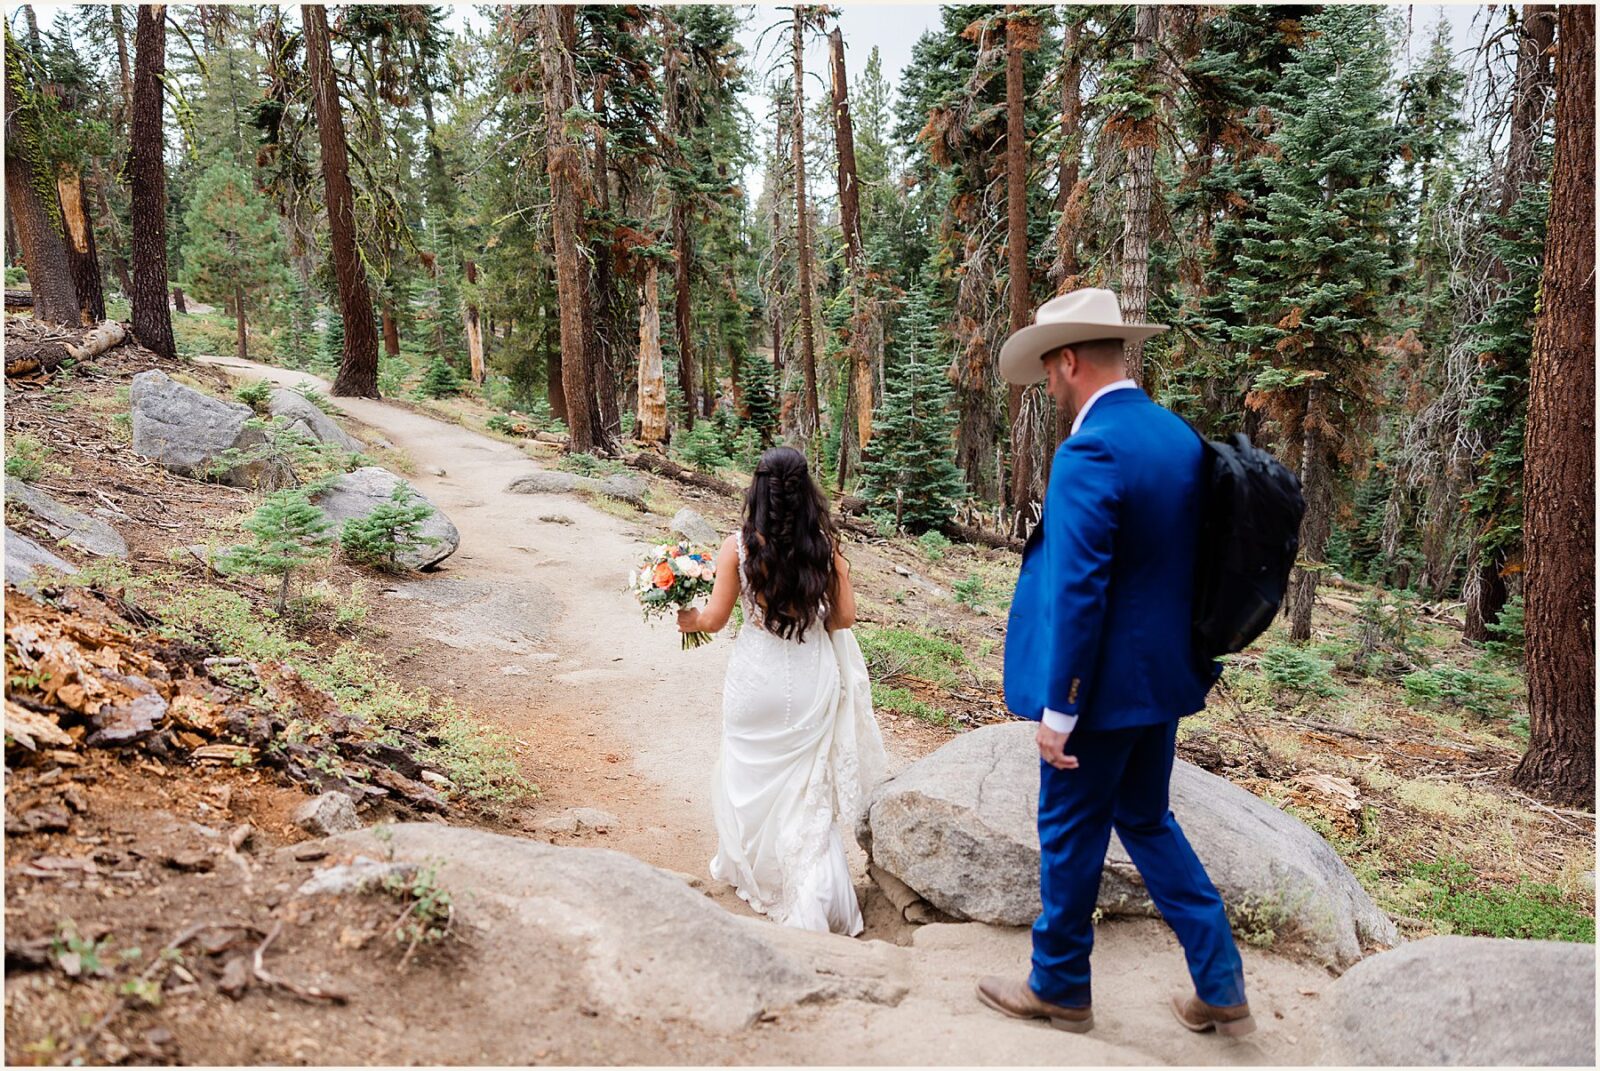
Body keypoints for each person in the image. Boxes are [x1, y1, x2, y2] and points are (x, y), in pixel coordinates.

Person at [976, 288, 1253, 1037]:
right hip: (1160, 680)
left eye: (1049, 372)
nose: (1050, 388)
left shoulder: (1090, 450)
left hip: (1097, 689)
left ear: (1069, 360)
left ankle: (1061, 986)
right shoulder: (1177, 436)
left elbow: (1081, 588)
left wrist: (1060, 709)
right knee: (1147, 817)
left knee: (1069, 826)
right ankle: (1221, 979)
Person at [676, 445, 887, 935]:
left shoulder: (739, 547)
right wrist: (838, 574)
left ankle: (754, 869)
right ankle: (814, 890)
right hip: (809, 675)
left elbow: (714, 619)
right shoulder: (824, 548)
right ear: (806, 491)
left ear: (759, 489)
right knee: (805, 788)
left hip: (756, 679)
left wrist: (687, 618)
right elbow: (843, 619)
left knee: (748, 776)